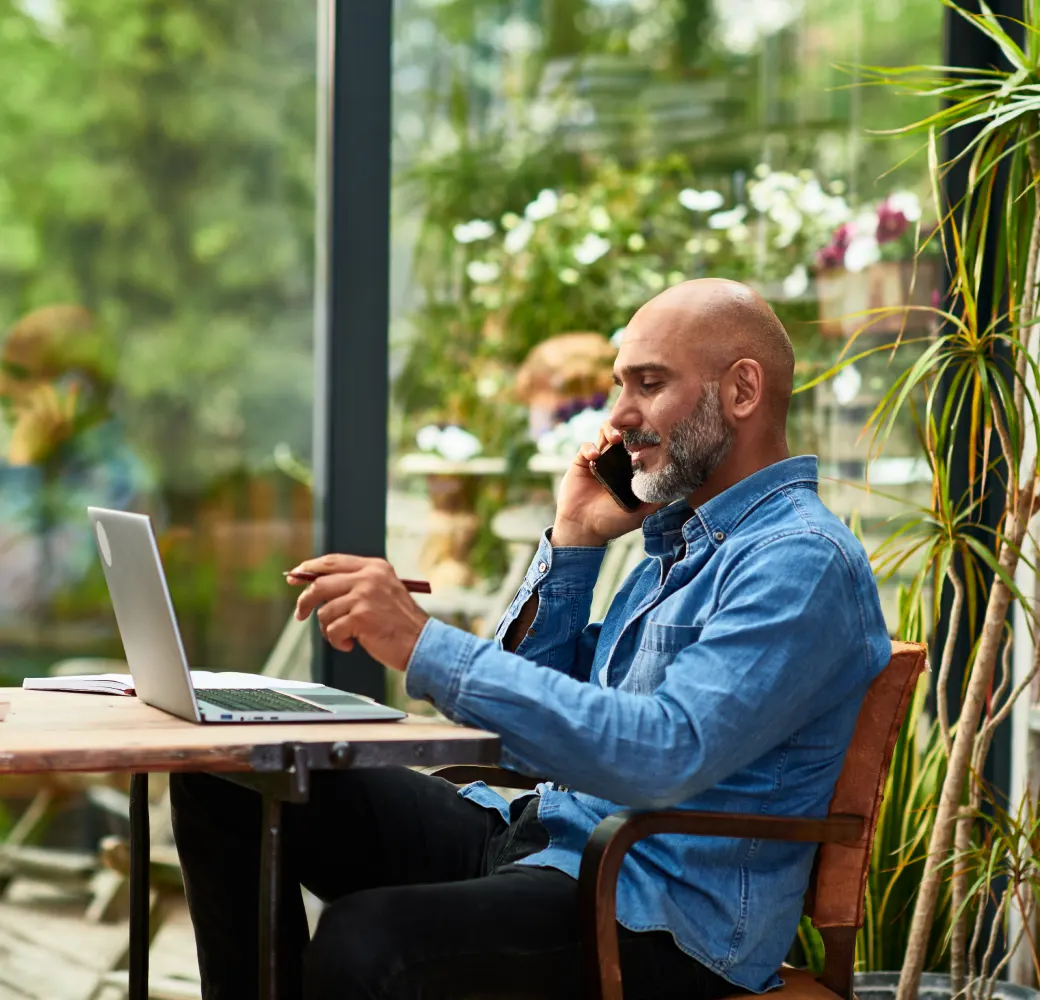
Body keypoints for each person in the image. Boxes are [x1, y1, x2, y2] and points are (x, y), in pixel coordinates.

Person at [170, 278, 890, 1000]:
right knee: (230, 774)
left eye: (649, 384)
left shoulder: (799, 561)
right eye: (619, 386)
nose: (619, 416)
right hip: (544, 840)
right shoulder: (674, 547)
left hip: (654, 916)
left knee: (371, 944)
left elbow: (661, 752)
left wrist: (421, 642)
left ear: (741, 391)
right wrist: (574, 540)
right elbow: (525, 700)